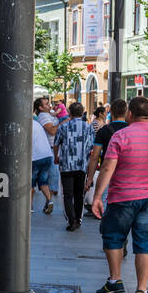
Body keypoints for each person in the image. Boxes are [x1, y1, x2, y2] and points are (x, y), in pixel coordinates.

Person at [91, 96, 148, 293]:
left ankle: (115, 279)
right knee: (146, 243)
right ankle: (142, 290)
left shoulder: (120, 135)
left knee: (113, 237)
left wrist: (97, 196)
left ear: (130, 114)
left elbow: (107, 167)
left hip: (122, 197)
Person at [85, 98, 128, 219]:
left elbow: (94, 156)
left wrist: (89, 178)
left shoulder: (103, 130)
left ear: (111, 112)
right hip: (127, 171)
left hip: (107, 170)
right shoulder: (130, 129)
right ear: (126, 112)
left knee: (104, 201)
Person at [55, 102, 95, 230]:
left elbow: (56, 143)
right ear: (82, 112)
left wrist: (56, 156)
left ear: (69, 113)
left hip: (66, 165)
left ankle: (71, 220)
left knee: (67, 194)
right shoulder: (88, 127)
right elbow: (91, 146)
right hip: (82, 165)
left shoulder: (63, 127)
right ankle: (78, 219)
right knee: (79, 194)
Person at [30, 113, 55, 215]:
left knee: (30, 182)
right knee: (43, 181)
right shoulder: (37, 123)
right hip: (47, 155)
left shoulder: (26, 125)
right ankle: (49, 200)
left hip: (35, 157)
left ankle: (29, 206)